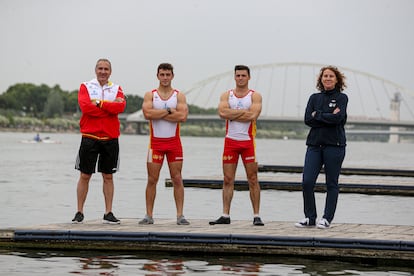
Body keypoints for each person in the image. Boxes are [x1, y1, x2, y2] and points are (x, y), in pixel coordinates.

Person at [71, 58, 126, 224]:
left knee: (108, 176)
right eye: (100, 68)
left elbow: (120, 108)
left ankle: (108, 212)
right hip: (90, 137)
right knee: (85, 175)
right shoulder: (85, 86)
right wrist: (109, 108)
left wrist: (100, 104)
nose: (103, 72)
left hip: (110, 137)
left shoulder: (117, 88)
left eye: (106, 69)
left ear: (110, 71)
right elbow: (86, 108)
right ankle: (79, 212)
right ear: (96, 70)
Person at [209, 65, 264, 226]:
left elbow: (253, 115)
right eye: (238, 75)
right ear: (234, 77)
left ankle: (256, 215)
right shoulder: (227, 95)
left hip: (248, 142)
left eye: (243, 76)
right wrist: (243, 113)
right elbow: (222, 113)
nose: (240, 78)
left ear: (249, 77)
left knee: (253, 179)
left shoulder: (255, 96)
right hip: (230, 142)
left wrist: (232, 114)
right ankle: (225, 215)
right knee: (227, 179)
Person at [295, 65, 348, 229]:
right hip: (314, 145)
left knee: (331, 183)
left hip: (335, 146)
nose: (328, 78)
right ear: (321, 79)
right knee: (307, 182)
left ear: (337, 79)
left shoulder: (342, 98)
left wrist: (317, 115)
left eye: (331, 76)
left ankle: (326, 218)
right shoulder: (314, 98)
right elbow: (307, 120)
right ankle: (310, 217)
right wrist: (327, 116)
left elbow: (338, 119)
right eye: (325, 76)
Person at [139, 63, 190, 225]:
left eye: (168, 75)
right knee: (152, 179)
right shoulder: (150, 95)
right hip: (155, 144)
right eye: (162, 74)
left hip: (174, 144)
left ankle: (180, 215)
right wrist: (169, 111)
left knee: (177, 179)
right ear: (158, 76)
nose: (165, 78)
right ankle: (148, 215)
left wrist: (158, 114)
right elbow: (147, 114)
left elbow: (182, 117)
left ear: (172, 76)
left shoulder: (179, 96)